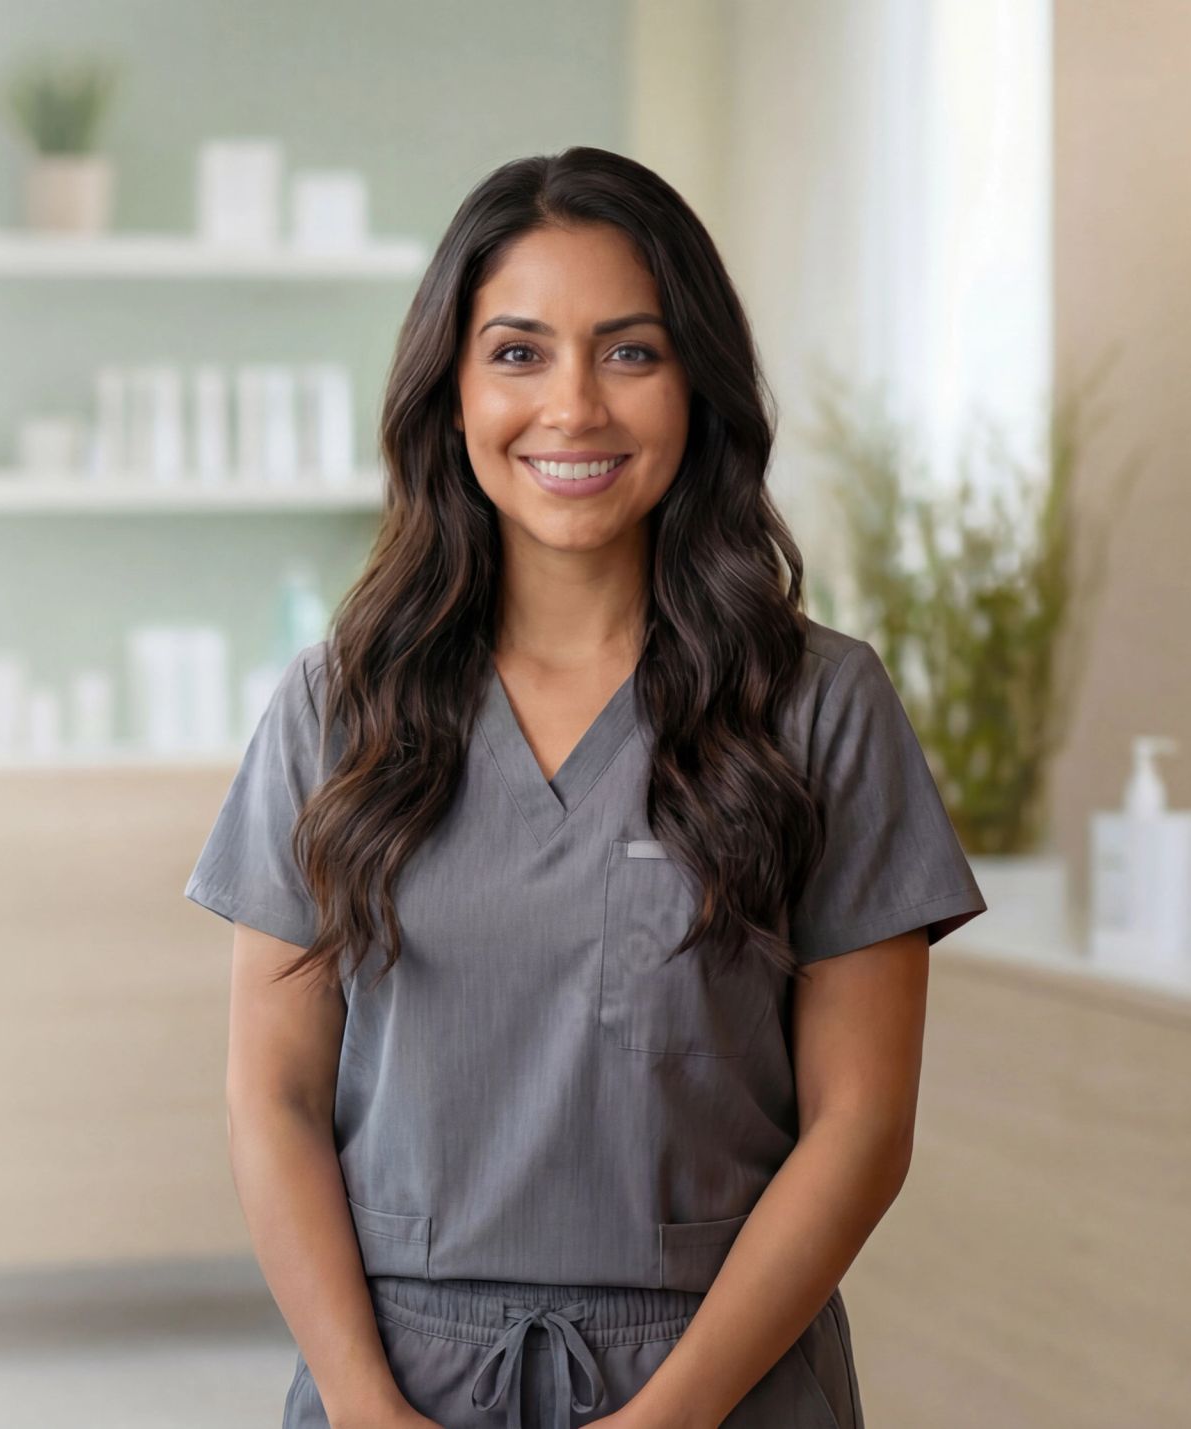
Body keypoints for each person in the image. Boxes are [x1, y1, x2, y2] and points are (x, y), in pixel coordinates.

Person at [184, 147, 987, 1429]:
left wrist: (663, 1420)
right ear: (448, 392)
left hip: (722, 1383)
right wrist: (362, 1404)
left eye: (629, 352)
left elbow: (861, 1126)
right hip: (395, 1382)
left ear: (697, 387)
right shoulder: (336, 708)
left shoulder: (821, 706)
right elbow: (270, 1095)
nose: (572, 408)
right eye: (517, 352)